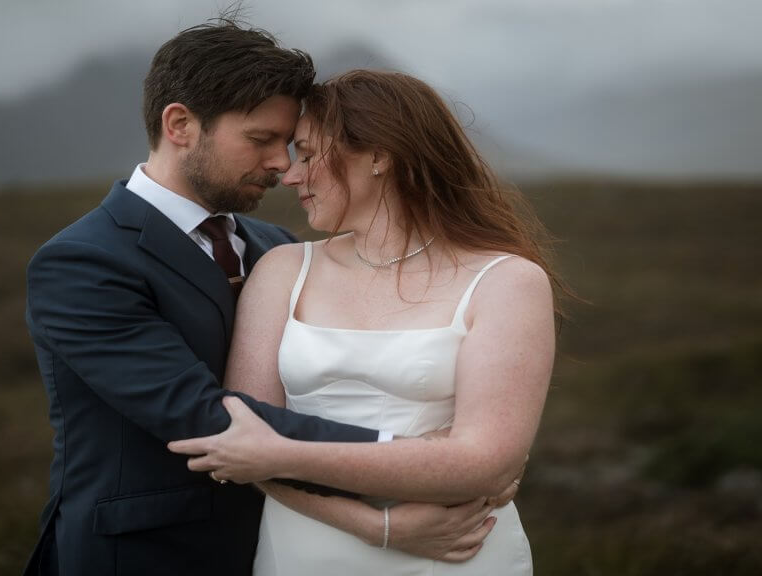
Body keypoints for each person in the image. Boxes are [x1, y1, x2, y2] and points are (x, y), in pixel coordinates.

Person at [23, 21, 509, 576]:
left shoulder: (276, 249)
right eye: (260, 140)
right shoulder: (84, 261)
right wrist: (428, 461)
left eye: (289, 144)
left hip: (282, 543)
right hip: (145, 553)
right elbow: (204, 417)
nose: (282, 165)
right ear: (180, 124)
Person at [169, 69, 564, 575]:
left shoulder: (506, 281)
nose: (290, 175)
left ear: (379, 155)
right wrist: (376, 525)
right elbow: (245, 432)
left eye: (309, 154)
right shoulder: (283, 270)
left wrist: (276, 455)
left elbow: (487, 464)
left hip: (454, 551)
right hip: (302, 551)